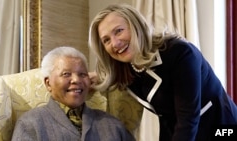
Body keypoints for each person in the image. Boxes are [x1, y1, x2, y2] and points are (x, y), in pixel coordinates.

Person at [88, 4, 237, 141]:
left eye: (119, 31)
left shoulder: (180, 53)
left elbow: (188, 119)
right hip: (178, 131)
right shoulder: (126, 67)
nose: (114, 43)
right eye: (106, 40)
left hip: (222, 127)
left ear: (136, 26)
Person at [11, 46, 135, 141]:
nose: (76, 80)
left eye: (83, 74)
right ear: (48, 83)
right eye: (66, 74)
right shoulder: (30, 124)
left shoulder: (112, 124)